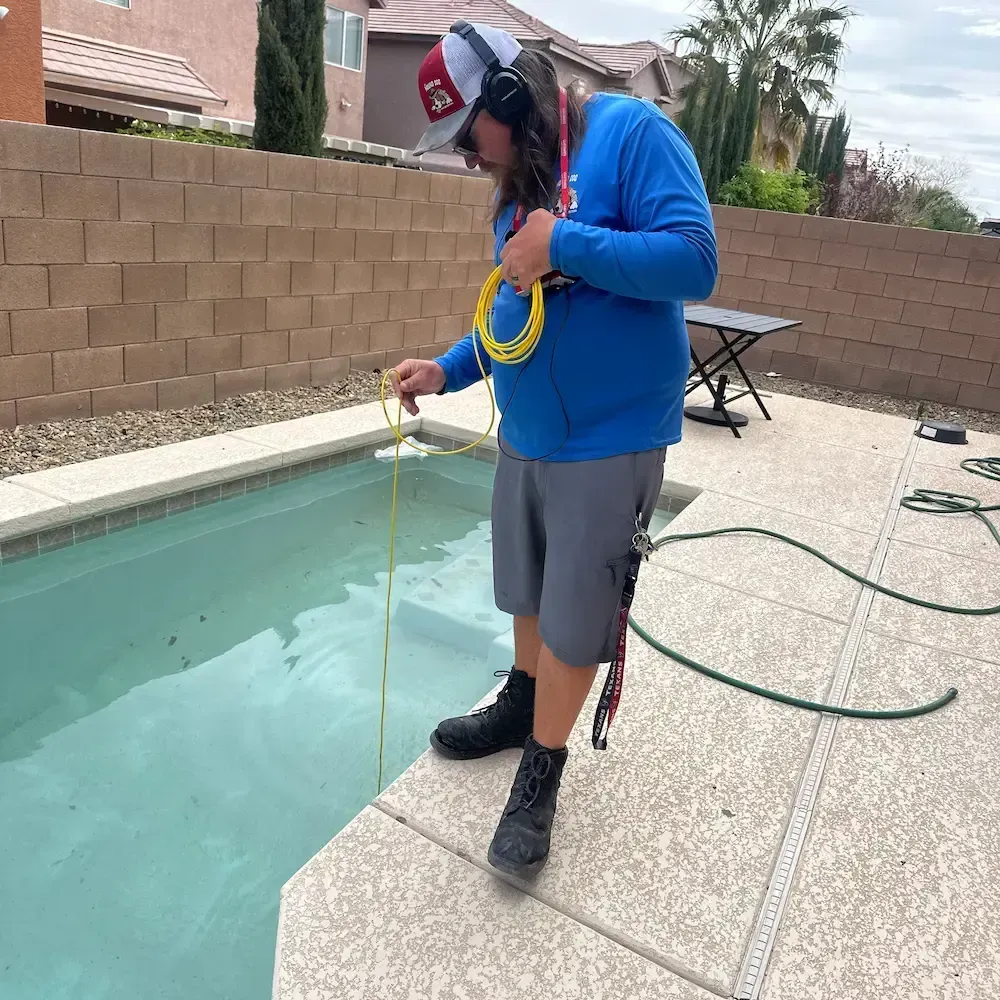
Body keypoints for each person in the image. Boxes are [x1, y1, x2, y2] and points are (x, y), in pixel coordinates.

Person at [392, 21, 718, 878]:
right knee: (528, 589)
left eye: (469, 136)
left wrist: (565, 243)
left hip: (612, 437)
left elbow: (694, 262)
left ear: (509, 99)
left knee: (575, 611)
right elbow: (510, 309)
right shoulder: (517, 186)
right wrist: (450, 369)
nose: (468, 158)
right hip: (531, 437)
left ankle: (541, 776)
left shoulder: (632, 134)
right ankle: (523, 703)